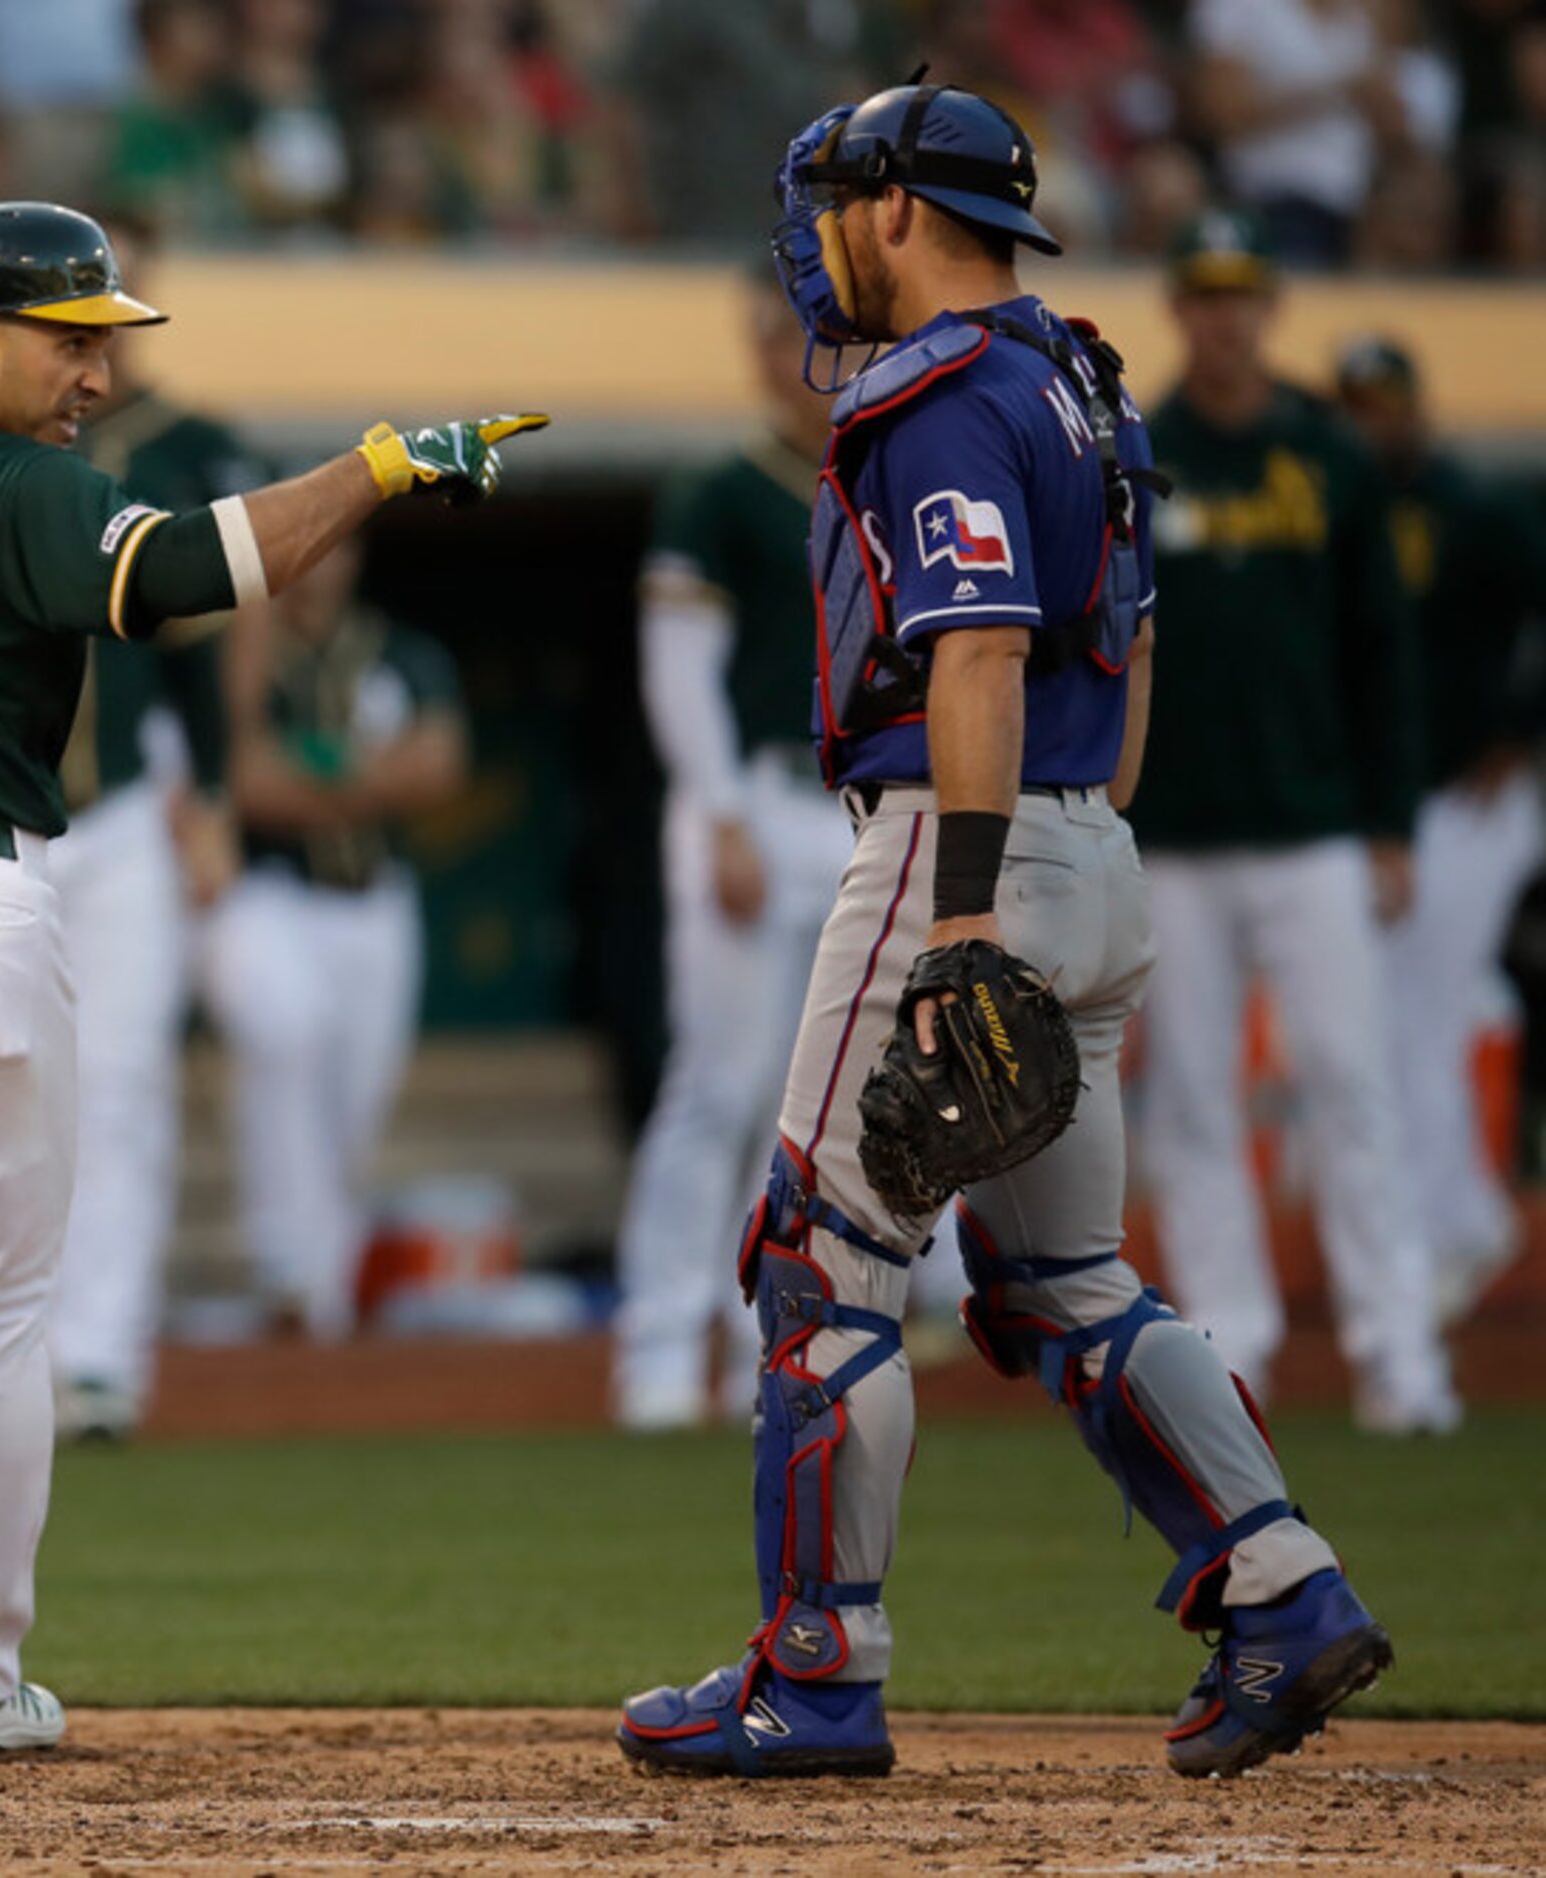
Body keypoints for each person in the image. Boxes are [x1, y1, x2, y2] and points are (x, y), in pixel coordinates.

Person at [0, 198, 540, 1770]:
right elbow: (205, 569)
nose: (95, 372)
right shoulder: (17, 479)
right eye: (70, 341)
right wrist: (384, 467)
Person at [619, 85, 1394, 1782]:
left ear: (900, 208)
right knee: (1059, 1277)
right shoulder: (1082, 371)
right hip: (1094, 837)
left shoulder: (944, 388)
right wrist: (1059, 851)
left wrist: (963, 914)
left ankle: (816, 1670)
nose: (816, 236)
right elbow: (1127, 653)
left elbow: (972, 649)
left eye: (833, 201)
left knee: (817, 1258)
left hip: (954, 850)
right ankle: (1283, 1583)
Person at [1130, 214, 1457, 1433]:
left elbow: (1386, 653)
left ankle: (1397, 1351)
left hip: (1316, 824)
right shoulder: (1141, 450)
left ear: (1267, 308)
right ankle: (1231, 1354)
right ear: (1179, 309)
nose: (1224, 317)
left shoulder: (1325, 453)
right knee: (1196, 1104)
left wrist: (1389, 822)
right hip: (1175, 833)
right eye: (1205, 295)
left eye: (1242, 295)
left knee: (1349, 1082)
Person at [611, 281, 865, 1431]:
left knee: (816, 1109)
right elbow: (679, 670)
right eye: (787, 338)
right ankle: (660, 1348)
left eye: (827, 340)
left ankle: (774, 1351)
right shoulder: (718, 490)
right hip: (751, 799)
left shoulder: (888, 477)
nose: (804, 360)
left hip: (857, 807)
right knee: (717, 1086)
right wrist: (715, 814)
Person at [47, 211, 255, 1441]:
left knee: (118, 1085)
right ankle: (0, 1352)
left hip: (123, 812)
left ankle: (99, 1356)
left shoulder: (181, 444)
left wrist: (213, 796)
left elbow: (206, 648)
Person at [200, 535, 462, 1341]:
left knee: (355, 1100)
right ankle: (289, 1270)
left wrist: (307, 777)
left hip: (375, 899)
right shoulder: (242, 652)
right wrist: (358, 778)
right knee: (283, 1035)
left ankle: (322, 1293)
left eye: (332, 549)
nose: (317, 565)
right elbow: (241, 777)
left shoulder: (400, 652)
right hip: (265, 893)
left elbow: (439, 766)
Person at [1335, 334, 1546, 1327]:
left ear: (1414, 404)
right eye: (1354, 404)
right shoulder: (1345, 507)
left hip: (1468, 799)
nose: (1369, 420)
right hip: (1387, 801)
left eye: (1380, 401)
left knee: (1418, 1010)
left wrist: (1521, 729)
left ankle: (1445, 1227)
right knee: (1405, 1011)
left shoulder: (1476, 505)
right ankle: (1453, 1219)